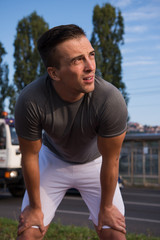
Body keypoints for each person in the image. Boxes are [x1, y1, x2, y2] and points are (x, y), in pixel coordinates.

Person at [15, 24, 128, 240]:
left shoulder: (110, 99)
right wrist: (35, 208)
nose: (90, 67)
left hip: (96, 163)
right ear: (54, 73)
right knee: (29, 231)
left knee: (113, 232)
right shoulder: (30, 100)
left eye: (91, 55)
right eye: (77, 60)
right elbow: (30, 156)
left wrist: (106, 208)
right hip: (53, 160)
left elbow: (111, 159)